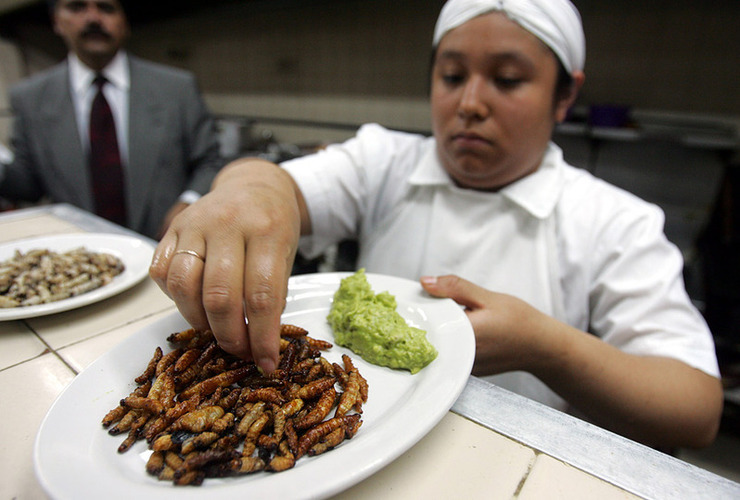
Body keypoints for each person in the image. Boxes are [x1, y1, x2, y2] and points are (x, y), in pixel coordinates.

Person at [150, 0, 723, 449]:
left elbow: (695, 410)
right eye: (452, 76)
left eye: (507, 79)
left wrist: (544, 347)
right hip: (366, 437)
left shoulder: (614, 221)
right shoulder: (385, 163)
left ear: (565, 94)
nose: (470, 103)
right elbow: (277, 184)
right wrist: (251, 190)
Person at [0, 0, 224, 239]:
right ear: (57, 21)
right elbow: (27, 184)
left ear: (124, 22)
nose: (93, 18)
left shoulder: (177, 88)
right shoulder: (31, 97)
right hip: (82, 256)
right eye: (77, 7)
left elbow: (210, 161)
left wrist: (188, 203)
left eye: (106, 8)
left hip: (161, 248)